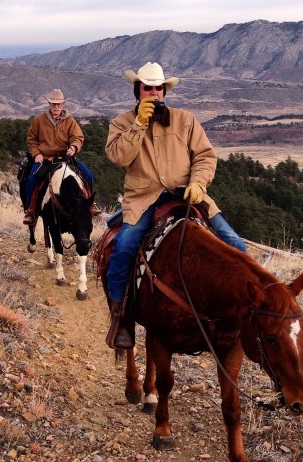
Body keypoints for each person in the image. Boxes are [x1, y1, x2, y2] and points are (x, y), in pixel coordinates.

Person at [105, 62, 246, 349]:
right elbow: (119, 157)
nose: (153, 93)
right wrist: (138, 125)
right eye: (148, 88)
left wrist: (199, 183)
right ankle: (121, 318)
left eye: (158, 88)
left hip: (187, 195)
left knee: (235, 245)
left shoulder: (186, 120)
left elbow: (205, 156)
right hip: (144, 198)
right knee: (123, 249)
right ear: (138, 90)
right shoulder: (122, 122)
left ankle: (243, 316)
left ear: (165, 91)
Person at [23, 89, 96, 225]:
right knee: (32, 178)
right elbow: (31, 139)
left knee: (89, 175)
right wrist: (36, 153)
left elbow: (78, 137)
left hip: (65, 157)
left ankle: (89, 206)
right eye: (53, 104)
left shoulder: (70, 121)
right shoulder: (39, 120)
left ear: (63, 104)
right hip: (44, 158)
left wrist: (74, 147)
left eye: (58, 104)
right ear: (49, 104)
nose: (56, 107)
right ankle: (30, 210)